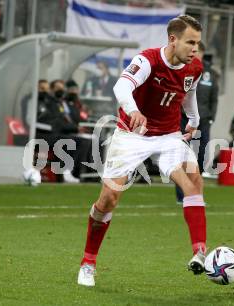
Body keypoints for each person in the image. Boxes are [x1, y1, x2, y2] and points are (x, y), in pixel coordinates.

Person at [77, 15, 207, 287]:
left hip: (169, 136)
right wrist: (134, 110)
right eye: (190, 42)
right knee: (108, 200)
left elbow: (189, 93)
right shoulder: (147, 60)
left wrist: (193, 120)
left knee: (193, 181)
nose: (195, 49)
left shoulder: (194, 67)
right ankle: (88, 262)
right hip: (131, 136)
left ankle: (200, 253)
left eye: (197, 43)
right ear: (173, 39)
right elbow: (121, 86)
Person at [175, 41, 219, 203]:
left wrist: (211, 116)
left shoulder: (211, 74)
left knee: (200, 156)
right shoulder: (182, 70)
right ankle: (182, 195)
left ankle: (195, 194)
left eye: (197, 51)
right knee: (183, 157)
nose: (194, 54)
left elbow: (214, 99)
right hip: (184, 119)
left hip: (204, 121)